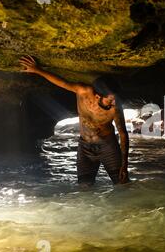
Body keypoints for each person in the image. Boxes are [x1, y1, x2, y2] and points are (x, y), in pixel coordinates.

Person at [19, 55, 129, 185]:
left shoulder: (115, 108)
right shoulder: (83, 92)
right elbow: (62, 82)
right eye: (110, 100)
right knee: (84, 188)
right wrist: (37, 70)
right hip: (85, 147)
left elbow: (123, 133)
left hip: (108, 146)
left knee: (122, 183)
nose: (114, 102)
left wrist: (125, 164)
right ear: (98, 96)